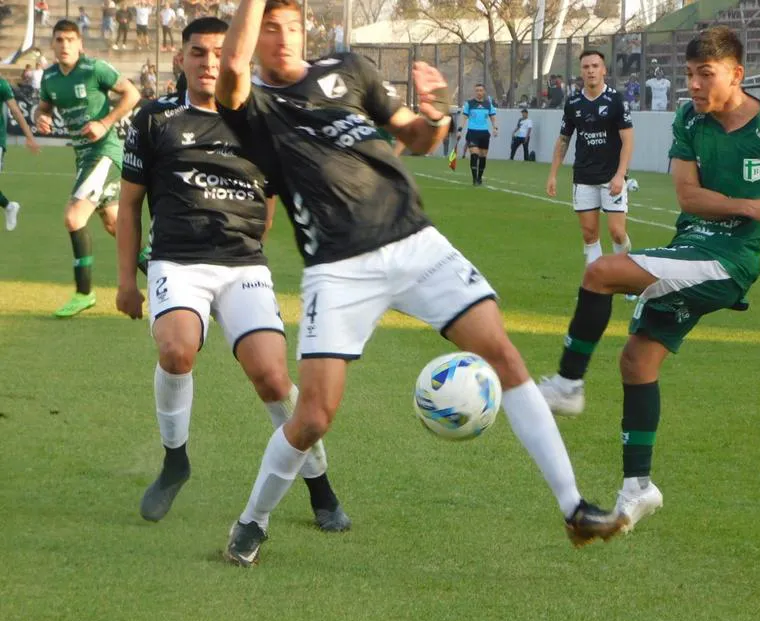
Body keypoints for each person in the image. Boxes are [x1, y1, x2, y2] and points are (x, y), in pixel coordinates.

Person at [214, 0, 625, 566]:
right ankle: (253, 520)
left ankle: (574, 507)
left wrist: (436, 112)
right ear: (253, 36)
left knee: (503, 353)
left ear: (304, 29)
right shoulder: (253, 105)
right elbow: (232, 68)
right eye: (268, 29)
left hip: (416, 243)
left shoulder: (349, 70)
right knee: (312, 416)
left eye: (290, 26)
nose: (281, 38)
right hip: (338, 267)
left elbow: (420, 135)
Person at [538, 26, 760, 532]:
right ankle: (638, 487)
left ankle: (568, 385)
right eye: (689, 75)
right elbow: (688, 198)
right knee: (637, 360)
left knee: (601, 271)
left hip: (726, 263)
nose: (694, 86)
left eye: (706, 74)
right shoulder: (689, 119)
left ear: (736, 75)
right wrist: (753, 207)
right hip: (690, 249)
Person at [115, 17, 348, 531]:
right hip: (177, 260)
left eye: (219, 53)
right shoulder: (153, 119)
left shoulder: (261, 121)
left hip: (242, 264)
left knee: (272, 379)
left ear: (233, 59)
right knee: (176, 349)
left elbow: (271, 200)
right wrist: (127, 283)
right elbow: (129, 205)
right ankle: (176, 461)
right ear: (182, 58)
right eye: (198, 52)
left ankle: (320, 486)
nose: (208, 62)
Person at [37, 20, 142, 317]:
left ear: (80, 43)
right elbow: (44, 108)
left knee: (73, 217)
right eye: (59, 40)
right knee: (116, 225)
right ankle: (167, 276)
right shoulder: (50, 78)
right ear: (53, 44)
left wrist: (104, 123)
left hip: (105, 153)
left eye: (71, 39)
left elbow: (132, 94)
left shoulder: (95, 69)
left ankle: (84, 293)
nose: (65, 45)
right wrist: (40, 117)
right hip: (84, 157)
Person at [546, 50, 634, 267]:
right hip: (584, 176)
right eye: (586, 67)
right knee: (589, 234)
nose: (591, 70)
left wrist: (620, 175)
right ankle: (596, 283)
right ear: (581, 72)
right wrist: (553, 175)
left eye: (595, 66)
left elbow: (628, 140)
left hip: (611, 176)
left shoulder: (616, 100)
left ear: (603, 70)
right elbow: (564, 140)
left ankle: (626, 271)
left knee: (617, 232)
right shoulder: (573, 103)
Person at [0, 75, 41, 231]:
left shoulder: (2, 85)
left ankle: (9, 207)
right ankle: (9, 206)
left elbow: (16, 112)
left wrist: (29, 137)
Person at [457, 83, 497, 186]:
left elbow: (493, 117)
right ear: (475, 92)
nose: (479, 92)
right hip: (472, 132)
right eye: (477, 90)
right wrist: (460, 130)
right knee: (474, 154)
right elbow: (464, 117)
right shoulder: (469, 104)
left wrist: (495, 128)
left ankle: (479, 178)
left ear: (484, 92)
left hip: (484, 133)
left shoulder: (488, 104)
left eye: (481, 90)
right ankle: (474, 179)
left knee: (483, 156)